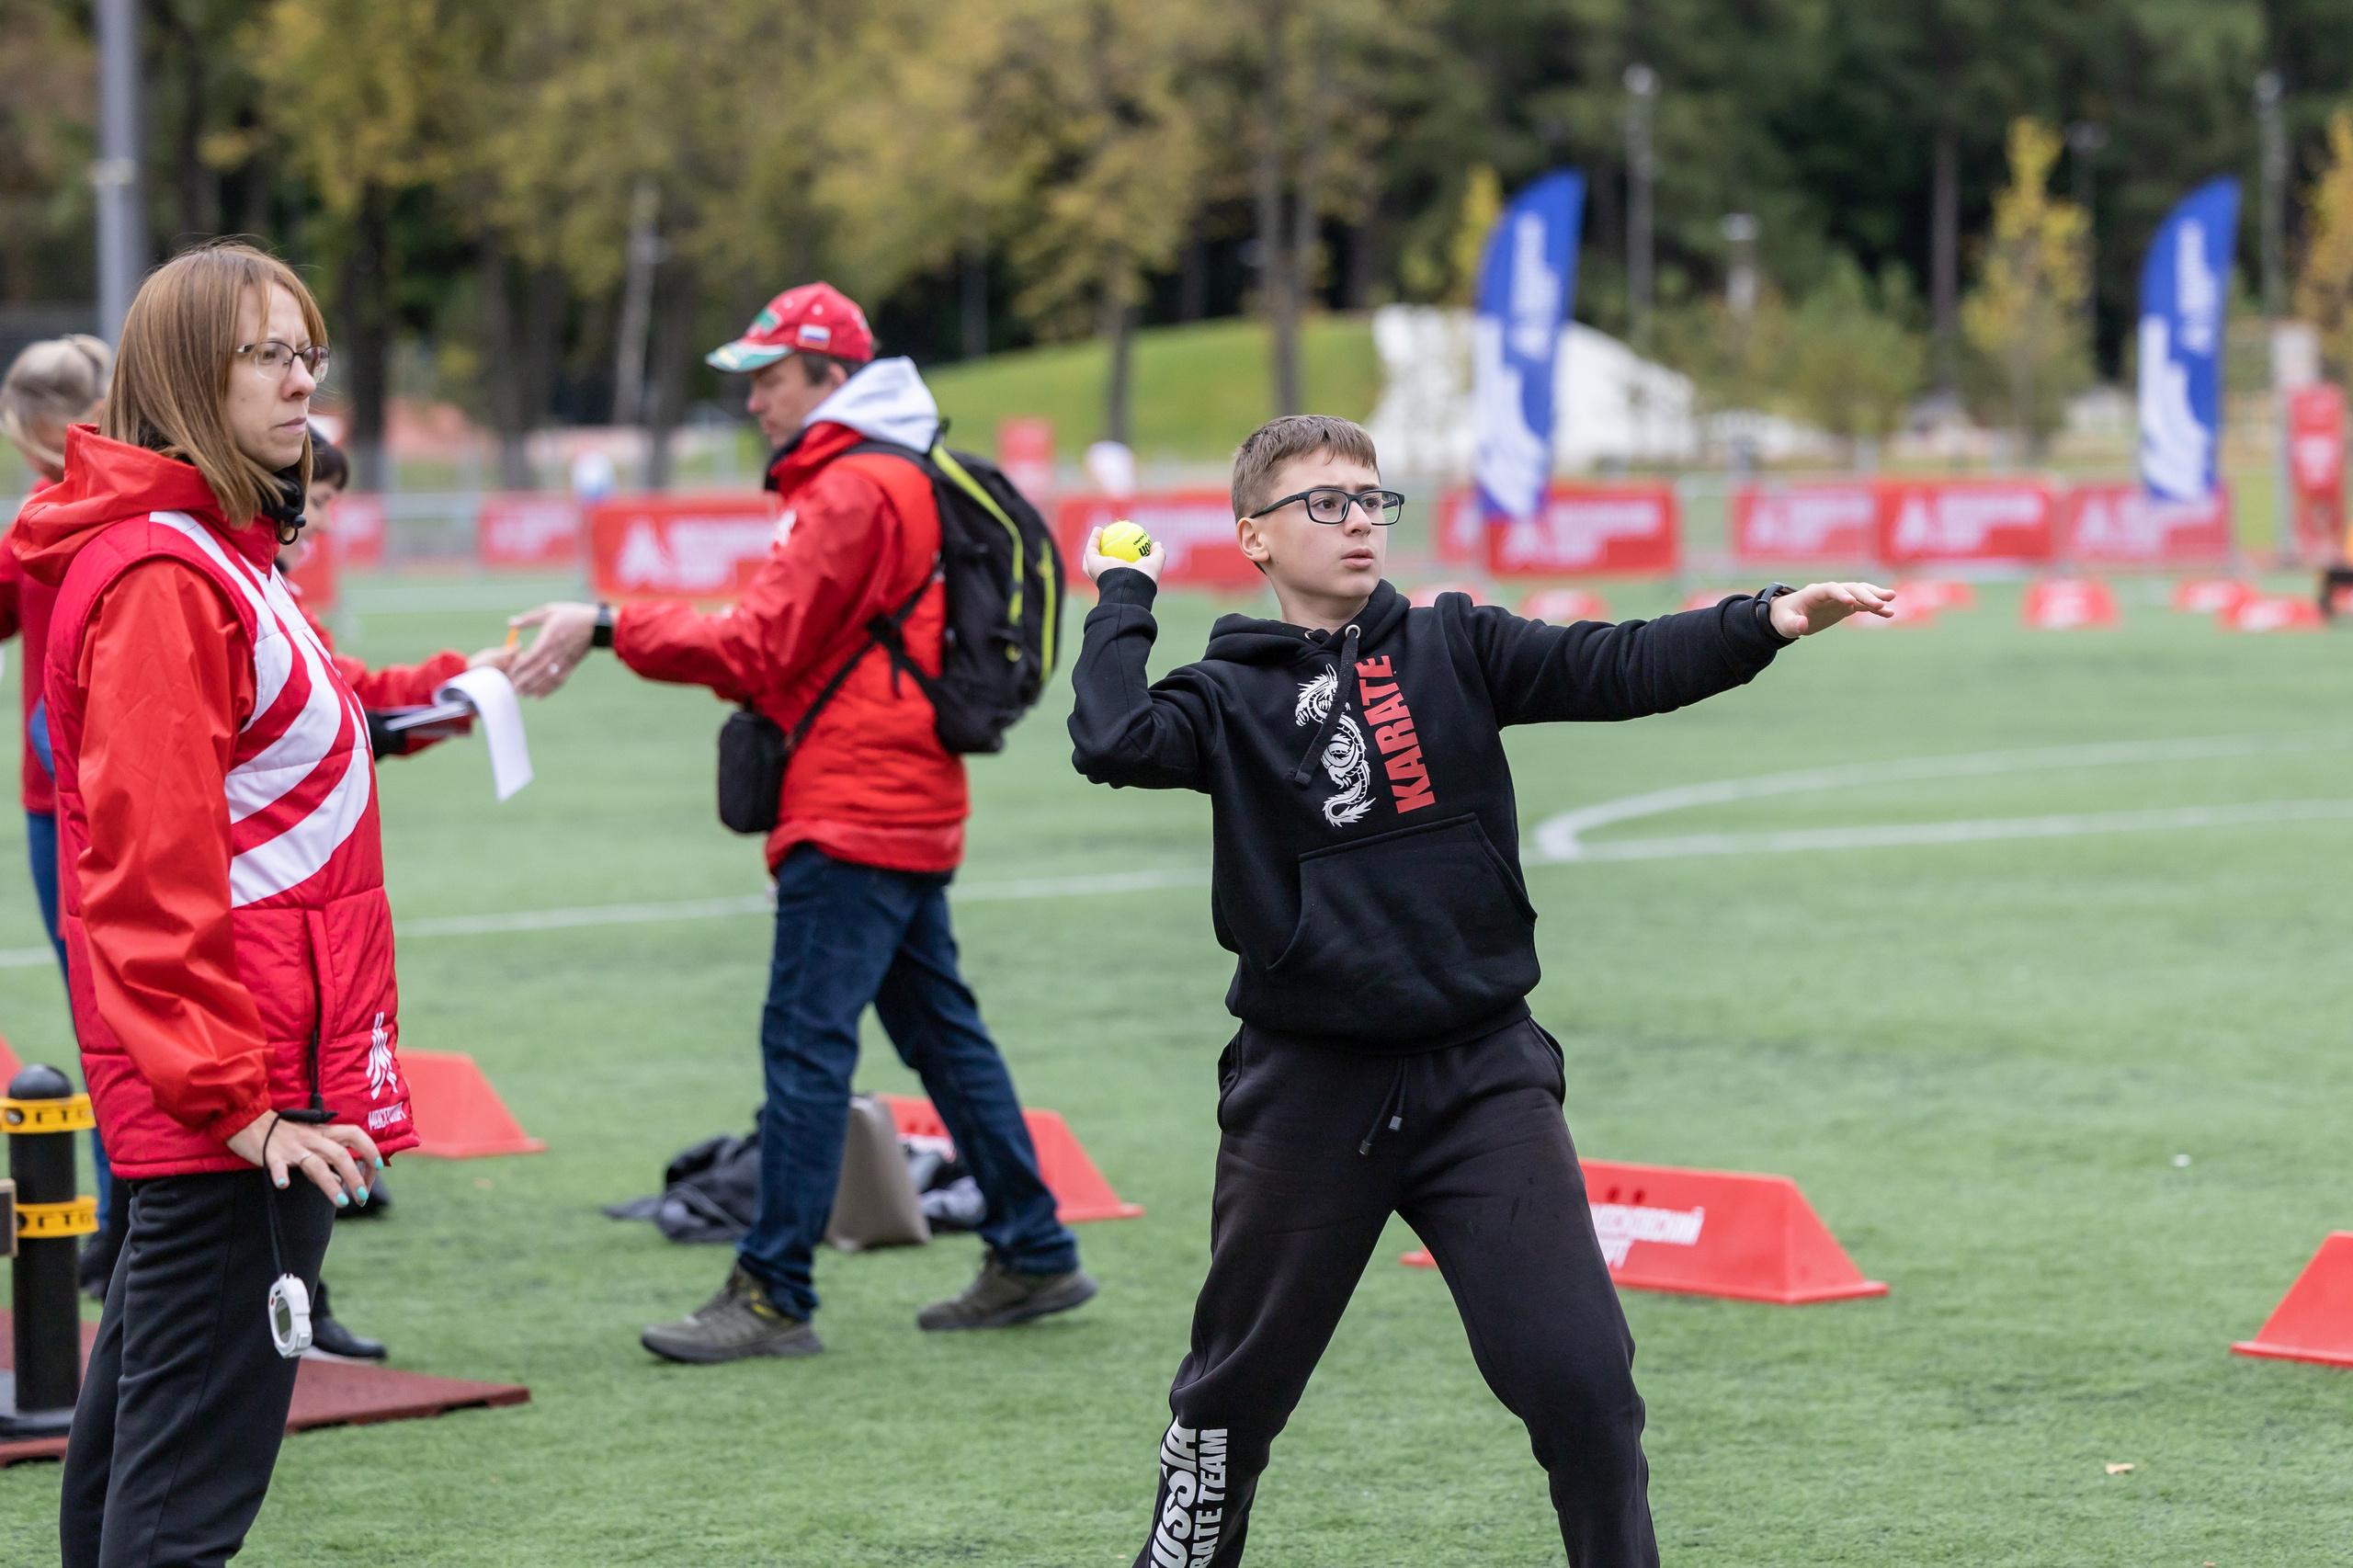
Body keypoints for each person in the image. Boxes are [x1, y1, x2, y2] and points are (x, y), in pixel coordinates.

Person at [1066, 414, 1894, 1567]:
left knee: (1587, 1391)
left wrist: (1764, 618)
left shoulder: (1453, 643)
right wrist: (1122, 593)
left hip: (1481, 1081)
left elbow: (1619, 664)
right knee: (1226, 1407)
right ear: (1252, 535)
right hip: (1306, 1094)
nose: (1358, 519)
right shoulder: (1222, 695)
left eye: (1370, 498)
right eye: (1323, 502)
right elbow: (1109, 735)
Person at [508, 281, 1091, 1362]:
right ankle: (1034, 1246)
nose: (753, 401)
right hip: (899, 793)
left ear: (832, 376)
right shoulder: (885, 471)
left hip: (857, 806)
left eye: (769, 377)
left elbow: (757, 646)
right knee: (942, 1037)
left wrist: (602, 623)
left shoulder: (854, 486)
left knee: (805, 1044)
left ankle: (774, 1289)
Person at [15, 241, 410, 1565]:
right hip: (237, 1101)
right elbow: (143, 880)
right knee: (180, 1495)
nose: (305, 383)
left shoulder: (210, 550)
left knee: (139, 1450)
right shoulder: (166, 575)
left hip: (244, 1087)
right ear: (190, 374)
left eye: (311, 354)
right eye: (269, 355)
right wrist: (246, 1109)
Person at [1, 334, 123, 1293]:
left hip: (68, 800)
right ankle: (131, 1215)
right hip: (103, 787)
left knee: (102, 1013)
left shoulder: (48, 514)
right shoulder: (119, 498)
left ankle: (126, 1220)